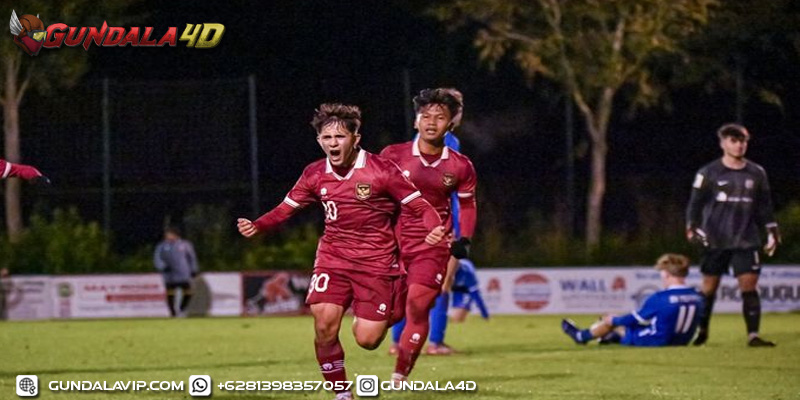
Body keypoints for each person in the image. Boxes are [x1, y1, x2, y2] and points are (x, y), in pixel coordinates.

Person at [236, 103, 445, 400]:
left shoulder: (381, 171)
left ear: (355, 138)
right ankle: (341, 394)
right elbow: (286, 209)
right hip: (332, 258)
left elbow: (420, 206)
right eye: (327, 138)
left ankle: (394, 298)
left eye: (340, 137)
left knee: (368, 340)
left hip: (376, 263)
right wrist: (259, 225)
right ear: (319, 140)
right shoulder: (314, 173)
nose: (333, 143)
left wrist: (433, 227)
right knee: (323, 324)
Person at [380, 88, 477, 383]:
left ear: (451, 122)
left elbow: (467, 204)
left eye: (441, 116)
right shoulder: (394, 155)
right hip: (392, 244)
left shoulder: (459, 161)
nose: (432, 122)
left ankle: (402, 371)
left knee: (420, 303)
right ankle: (397, 335)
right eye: (426, 116)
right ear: (416, 121)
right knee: (373, 327)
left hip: (433, 245)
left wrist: (461, 239)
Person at [685, 123, 781, 347]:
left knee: (749, 286)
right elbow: (694, 204)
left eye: (743, 141)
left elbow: (765, 206)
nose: (739, 146)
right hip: (715, 239)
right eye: (734, 141)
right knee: (709, 288)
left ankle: (753, 336)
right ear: (723, 143)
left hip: (746, 240)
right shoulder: (708, 172)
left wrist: (772, 230)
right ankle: (702, 332)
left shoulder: (757, 172)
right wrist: (691, 226)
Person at [562, 253, 704, 346]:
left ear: (666, 274)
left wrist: (612, 320)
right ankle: (610, 337)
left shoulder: (660, 298)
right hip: (682, 341)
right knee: (620, 323)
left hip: (655, 340)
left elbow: (635, 319)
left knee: (615, 321)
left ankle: (581, 336)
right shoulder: (697, 296)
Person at [154, 225, 199, 317]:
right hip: (169, 275)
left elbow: (192, 258)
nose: (167, 236)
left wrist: (194, 269)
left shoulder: (185, 245)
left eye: (169, 234)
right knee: (170, 294)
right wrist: (162, 267)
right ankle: (173, 313)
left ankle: (182, 309)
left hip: (183, 274)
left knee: (188, 292)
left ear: (176, 235)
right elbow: (157, 258)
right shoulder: (162, 246)